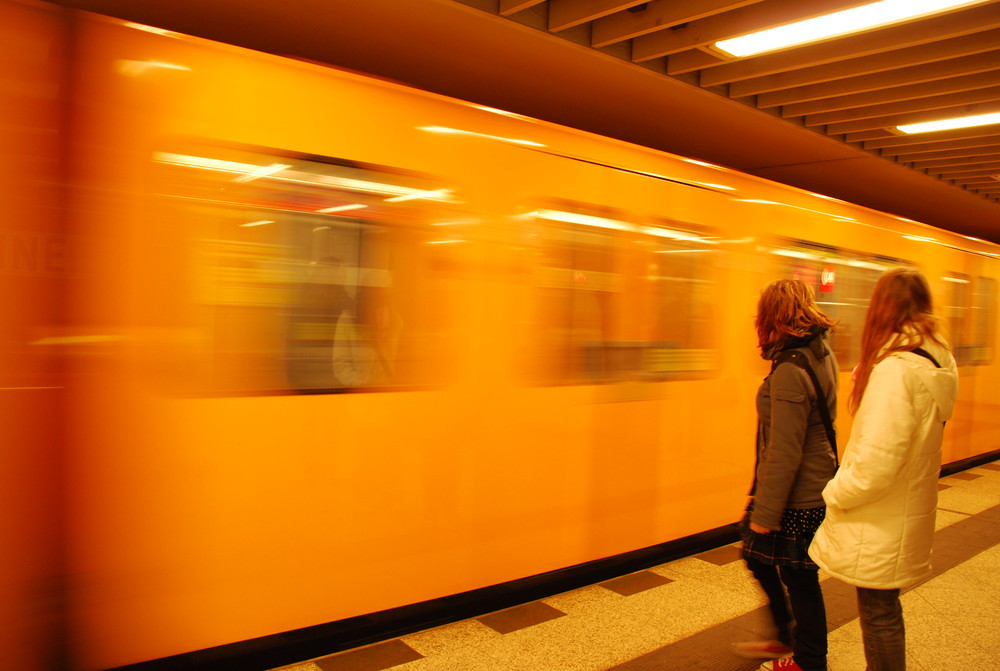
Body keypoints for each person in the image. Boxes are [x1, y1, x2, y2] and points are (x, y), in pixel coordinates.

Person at [809, 268, 958, 671]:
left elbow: (877, 461)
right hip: (901, 510)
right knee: (884, 610)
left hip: (881, 518)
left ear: (882, 309)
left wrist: (834, 493)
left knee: (878, 615)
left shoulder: (897, 371)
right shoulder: (933, 360)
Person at [738, 279, 839, 671]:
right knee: (764, 561)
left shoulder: (790, 370)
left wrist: (766, 512)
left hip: (799, 492)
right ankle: (786, 638)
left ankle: (808, 660)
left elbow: (785, 448)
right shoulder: (820, 350)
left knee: (797, 577)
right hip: (813, 482)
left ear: (771, 318)